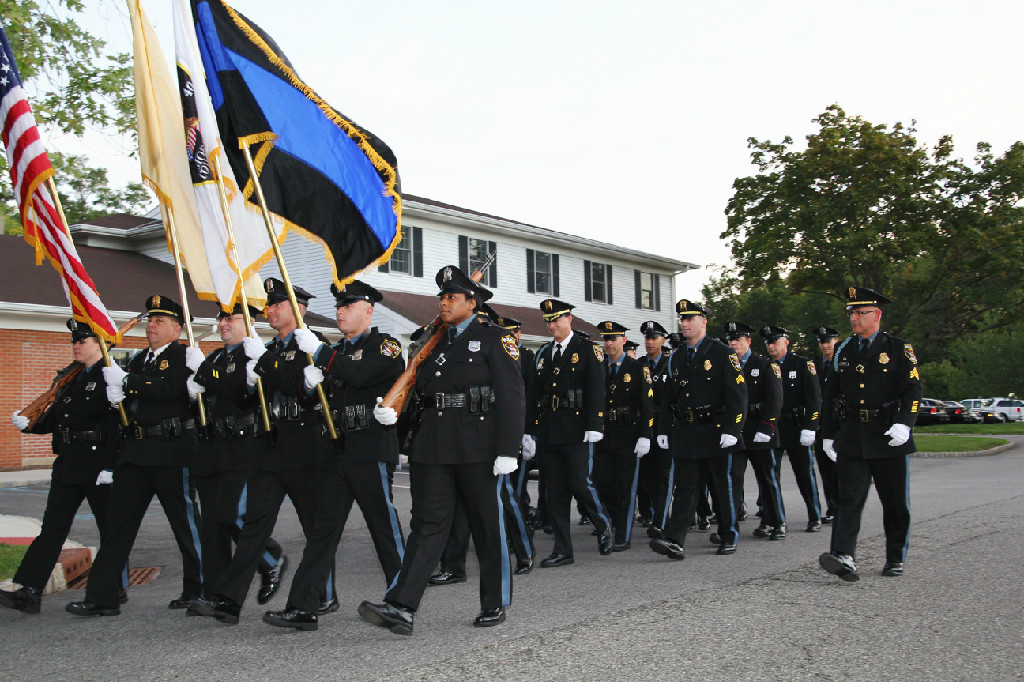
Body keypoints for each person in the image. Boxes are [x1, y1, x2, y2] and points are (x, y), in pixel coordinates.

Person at [358, 265, 524, 634]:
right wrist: (394, 418)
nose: (443, 303)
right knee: (427, 525)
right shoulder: (432, 341)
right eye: (441, 297)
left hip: (478, 443)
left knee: (486, 525)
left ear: (472, 301)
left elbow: (512, 396)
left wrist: (508, 449)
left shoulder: (495, 337)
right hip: (433, 443)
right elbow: (420, 392)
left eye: (451, 297)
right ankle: (401, 606)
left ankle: (494, 602)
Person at [261, 280, 407, 631]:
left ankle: (402, 601)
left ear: (368, 311)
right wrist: (310, 385)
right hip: (334, 450)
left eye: (348, 306)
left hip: (369, 449)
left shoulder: (383, 346)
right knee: (322, 533)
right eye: (338, 306)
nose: (340, 311)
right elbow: (321, 400)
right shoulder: (334, 351)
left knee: (383, 531)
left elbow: (360, 375)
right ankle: (303, 606)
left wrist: (323, 356)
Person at [190, 278, 335, 624]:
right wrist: (208, 373)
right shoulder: (268, 348)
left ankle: (319, 597)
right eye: (268, 305)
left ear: (299, 309)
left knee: (315, 527)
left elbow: (303, 390)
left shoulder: (313, 344)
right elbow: (245, 399)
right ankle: (228, 600)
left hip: (305, 444)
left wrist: (265, 363)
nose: (270, 310)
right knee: (254, 524)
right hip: (269, 443)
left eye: (278, 305)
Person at [67, 296, 203, 616]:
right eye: (149, 321)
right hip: (135, 453)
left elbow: (170, 390)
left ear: (176, 329)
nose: (151, 326)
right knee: (117, 526)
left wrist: (127, 382)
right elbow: (132, 400)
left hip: (171, 451)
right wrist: (119, 397)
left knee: (186, 526)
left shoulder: (186, 355)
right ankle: (102, 597)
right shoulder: (140, 360)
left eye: (159, 321)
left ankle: (200, 589)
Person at [2, 321, 123, 614]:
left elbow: (119, 425)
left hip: (98, 464)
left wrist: (111, 465)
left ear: (101, 343)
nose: (77, 345)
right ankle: (29, 590)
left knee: (111, 529)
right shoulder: (71, 377)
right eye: (75, 341)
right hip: (69, 462)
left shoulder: (113, 377)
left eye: (83, 340)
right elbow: (58, 418)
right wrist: (30, 424)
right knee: (52, 528)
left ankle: (111, 588)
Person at [183, 304, 287, 608]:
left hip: (243, 444)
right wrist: (193, 394)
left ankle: (270, 558)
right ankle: (214, 593)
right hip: (213, 445)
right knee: (213, 523)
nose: (223, 323)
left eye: (231, 318)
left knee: (233, 514)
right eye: (221, 318)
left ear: (249, 322)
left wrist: (204, 372)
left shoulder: (254, 353)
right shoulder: (216, 356)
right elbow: (207, 401)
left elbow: (242, 393)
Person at [819, 287, 921, 581]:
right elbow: (832, 395)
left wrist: (905, 423)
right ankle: (843, 556)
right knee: (848, 499)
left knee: (895, 502)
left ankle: (895, 556)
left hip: (888, 433)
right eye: (851, 313)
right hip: (853, 434)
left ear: (877, 315)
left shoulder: (899, 349)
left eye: (860, 312)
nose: (854, 318)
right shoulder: (843, 350)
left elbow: (913, 390)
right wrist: (829, 434)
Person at [428, 310, 535, 586]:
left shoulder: (498, 342)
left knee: (504, 504)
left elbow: (514, 395)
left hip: (489, 438)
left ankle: (524, 553)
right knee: (457, 511)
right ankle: (453, 565)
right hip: (458, 438)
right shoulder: (448, 341)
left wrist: (511, 444)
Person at [650, 300, 746, 560]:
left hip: (715, 430)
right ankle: (675, 540)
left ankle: (729, 535)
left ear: (704, 321)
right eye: (682, 319)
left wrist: (732, 429)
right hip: (687, 430)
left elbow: (737, 395)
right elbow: (669, 396)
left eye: (690, 319)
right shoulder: (678, 355)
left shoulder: (722, 353)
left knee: (721, 488)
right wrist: (663, 429)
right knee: (685, 488)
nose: (685, 323)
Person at [525, 299, 613, 567]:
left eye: (557, 320)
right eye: (549, 321)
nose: (553, 325)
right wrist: (528, 431)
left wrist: (595, 425)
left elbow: (598, 389)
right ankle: (563, 550)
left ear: (569, 319)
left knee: (579, 482)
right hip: (550, 429)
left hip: (578, 429)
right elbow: (533, 395)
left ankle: (603, 523)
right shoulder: (544, 353)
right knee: (555, 492)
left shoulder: (588, 350)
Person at [592, 321, 652, 552]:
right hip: (605, 434)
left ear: (623, 341)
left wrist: (645, 435)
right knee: (602, 481)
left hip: (629, 433)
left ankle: (623, 536)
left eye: (613, 338)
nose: (609, 343)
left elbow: (646, 405)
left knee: (626, 487)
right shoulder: (599, 367)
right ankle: (615, 521)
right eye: (605, 339)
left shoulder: (637, 368)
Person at [724, 322, 786, 541]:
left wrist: (767, 428)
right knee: (733, 479)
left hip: (760, 429)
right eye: (730, 340)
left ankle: (777, 522)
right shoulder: (727, 366)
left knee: (768, 479)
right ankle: (729, 528)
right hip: (737, 431)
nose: (733, 343)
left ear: (748, 341)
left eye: (738, 339)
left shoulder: (765, 365)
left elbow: (775, 401)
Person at [761, 324, 824, 533]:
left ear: (786, 342)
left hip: (797, 426)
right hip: (774, 427)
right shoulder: (764, 366)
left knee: (805, 474)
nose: (772, 346)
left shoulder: (803, 365)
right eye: (768, 343)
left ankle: (814, 515)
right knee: (770, 475)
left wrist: (810, 426)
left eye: (775, 342)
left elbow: (815, 399)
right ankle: (772, 519)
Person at [636, 321, 672, 534]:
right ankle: (648, 513)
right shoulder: (639, 365)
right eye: (647, 338)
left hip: (664, 424)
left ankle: (661, 518)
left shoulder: (670, 364)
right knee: (646, 474)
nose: (649, 342)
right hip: (643, 425)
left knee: (664, 473)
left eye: (654, 338)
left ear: (662, 340)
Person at [811, 326, 841, 524]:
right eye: (822, 342)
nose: (825, 345)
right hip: (821, 424)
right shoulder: (813, 365)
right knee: (825, 470)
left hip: (840, 424)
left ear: (835, 341)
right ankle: (832, 506)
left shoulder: (842, 363)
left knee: (840, 469)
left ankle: (843, 507)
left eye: (828, 341)